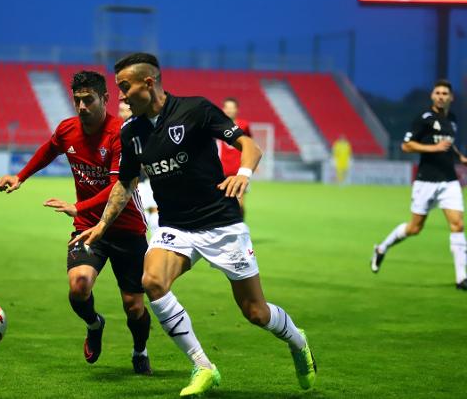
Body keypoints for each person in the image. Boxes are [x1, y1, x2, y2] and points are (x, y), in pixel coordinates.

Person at [72, 53, 316, 396]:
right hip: (176, 227)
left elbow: (248, 145)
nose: (122, 98)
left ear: (149, 82)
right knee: (152, 281)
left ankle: (297, 340)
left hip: (222, 224)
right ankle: (203, 367)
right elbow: (125, 183)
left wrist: (243, 174)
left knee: (256, 312)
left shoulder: (195, 109)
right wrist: (101, 225)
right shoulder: (132, 133)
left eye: (125, 88)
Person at [0, 71, 153, 374]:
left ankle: (139, 350)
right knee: (79, 286)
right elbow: (48, 150)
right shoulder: (68, 129)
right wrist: (20, 176)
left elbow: (120, 186)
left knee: (134, 307)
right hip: (87, 227)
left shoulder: (122, 134)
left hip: (127, 228)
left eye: (88, 100)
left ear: (105, 99)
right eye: (77, 100)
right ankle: (95, 324)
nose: (81, 107)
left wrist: (78, 205)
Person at [371, 79, 467, 291]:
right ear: (433, 96)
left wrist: (460, 157)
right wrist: (434, 148)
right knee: (414, 228)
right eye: (438, 93)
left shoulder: (452, 119)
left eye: (445, 93)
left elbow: (449, 146)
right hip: (426, 180)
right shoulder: (423, 119)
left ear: (451, 97)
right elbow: (406, 145)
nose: (441, 96)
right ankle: (381, 248)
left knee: (458, 224)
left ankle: (462, 278)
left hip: (449, 180)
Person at [119, 102, 159, 232]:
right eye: (121, 110)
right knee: (140, 211)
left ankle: (154, 242)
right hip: (130, 180)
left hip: (146, 178)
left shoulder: (143, 130)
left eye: (127, 110)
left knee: (152, 209)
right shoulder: (121, 131)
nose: (124, 113)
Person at [218, 97, 251, 217]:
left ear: (237, 110)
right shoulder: (217, 124)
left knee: (239, 203)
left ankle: (241, 228)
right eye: (227, 107)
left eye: (232, 108)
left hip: (239, 171)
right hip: (221, 171)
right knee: (221, 204)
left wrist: (250, 165)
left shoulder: (244, 125)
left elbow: (249, 146)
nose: (229, 110)